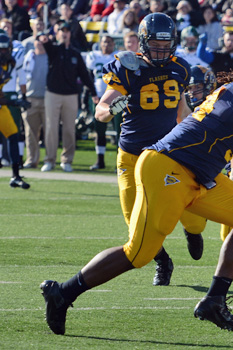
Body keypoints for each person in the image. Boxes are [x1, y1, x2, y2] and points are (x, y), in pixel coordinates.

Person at [39, 44, 233, 336]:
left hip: (199, 174)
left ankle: (214, 300)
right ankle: (63, 293)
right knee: (138, 253)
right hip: (169, 168)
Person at [90, 13, 205, 286]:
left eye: (166, 46)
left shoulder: (181, 68)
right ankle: (163, 261)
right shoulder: (127, 67)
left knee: (192, 214)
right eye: (156, 45)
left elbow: (182, 112)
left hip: (167, 156)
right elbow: (100, 111)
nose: (162, 51)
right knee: (134, 223)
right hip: (131, 154)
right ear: (143, 42)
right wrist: (110, 110)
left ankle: (193, 231)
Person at [37, 20, 96, 173]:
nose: (64, 33)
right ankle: (50, 160)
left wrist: (94, 93)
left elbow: (84, 75)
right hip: (53, 94)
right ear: (57, 33)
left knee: (69, 129)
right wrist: (44, 38)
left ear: (70, 33)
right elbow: (46, 43)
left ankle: (67, 160)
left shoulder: (75, 53)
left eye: (66, 31)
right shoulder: (54, 50)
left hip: (70, 95)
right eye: (61, 31)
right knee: (51, 128)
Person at [0, 32, 29, 188]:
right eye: (1, 49)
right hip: (3, 104)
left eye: (6, 49)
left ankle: (15, 176)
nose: (4, 52)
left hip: (1, 107)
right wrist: (13, 101)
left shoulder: (9, 64)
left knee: (12, 135)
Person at [85, 35, 117, 170]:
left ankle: (119, 162)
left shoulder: (118, 57)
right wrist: (92, 93)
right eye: (104, 42)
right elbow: (89, 76)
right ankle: (100, 160)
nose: (106, 45)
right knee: (99, 130)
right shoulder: (93, 56)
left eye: (109, 42)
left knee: (120, 130)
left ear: (114, 44)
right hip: (98, 98)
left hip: (117, 98)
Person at [21, 33, 47, 170]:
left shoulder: (50, 57)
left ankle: (49, 160)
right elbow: (22, 77)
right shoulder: (28, 57)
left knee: (49, 132)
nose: (40, 42)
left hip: (47, 98)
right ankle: (32, 160)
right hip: (30, 98)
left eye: (43, 40)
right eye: (38, 40)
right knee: (30, 132)